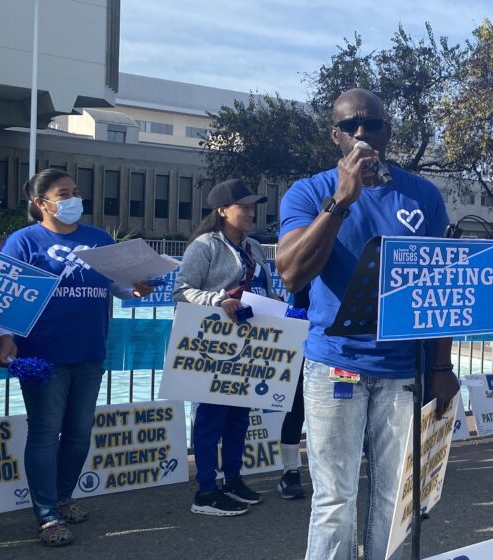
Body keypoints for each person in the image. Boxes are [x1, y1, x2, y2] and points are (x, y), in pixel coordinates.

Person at [276, 88, 459, 560]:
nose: (363, 133)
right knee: (335, 500)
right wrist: (341, 201)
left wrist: (442, 366)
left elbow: (442, 287)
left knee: (394, 496)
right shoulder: (309, 191)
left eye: (372, 124)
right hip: (335, 365)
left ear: (387, 131)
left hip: (403, 371)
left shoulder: (422, 195)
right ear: (336, 134)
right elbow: (292, 271)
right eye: (351, 125)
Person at [0, 169, 152, 546]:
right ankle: (46, 514)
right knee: (46, 433)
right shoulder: (23, 242)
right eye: (63, 193)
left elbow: (116, 286)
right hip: (43, 356)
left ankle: (64, 497)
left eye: (75, 192)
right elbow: (6, 297)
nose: (72, 199)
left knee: (79, 434)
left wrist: (136, 290)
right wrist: (5, 340)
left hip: (89, 352)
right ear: (41, 203)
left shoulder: (98, 240)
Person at [174, 179, 273, 517]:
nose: (250, 212)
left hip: (248, 344)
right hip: (215, 346)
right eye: (242, 207)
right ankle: (205, 491)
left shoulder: (254, 246)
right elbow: (182, 291)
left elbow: (262, 287)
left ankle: (233, 480)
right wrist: (219, 300)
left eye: (251, 206)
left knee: (239, 418)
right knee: (210, 419)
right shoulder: (204, 246)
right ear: (222, 211)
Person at [277, 286, 309, 500]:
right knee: (297, 406)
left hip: (339, 342)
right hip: (304, 335)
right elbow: (292, 283)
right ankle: (290, 471)